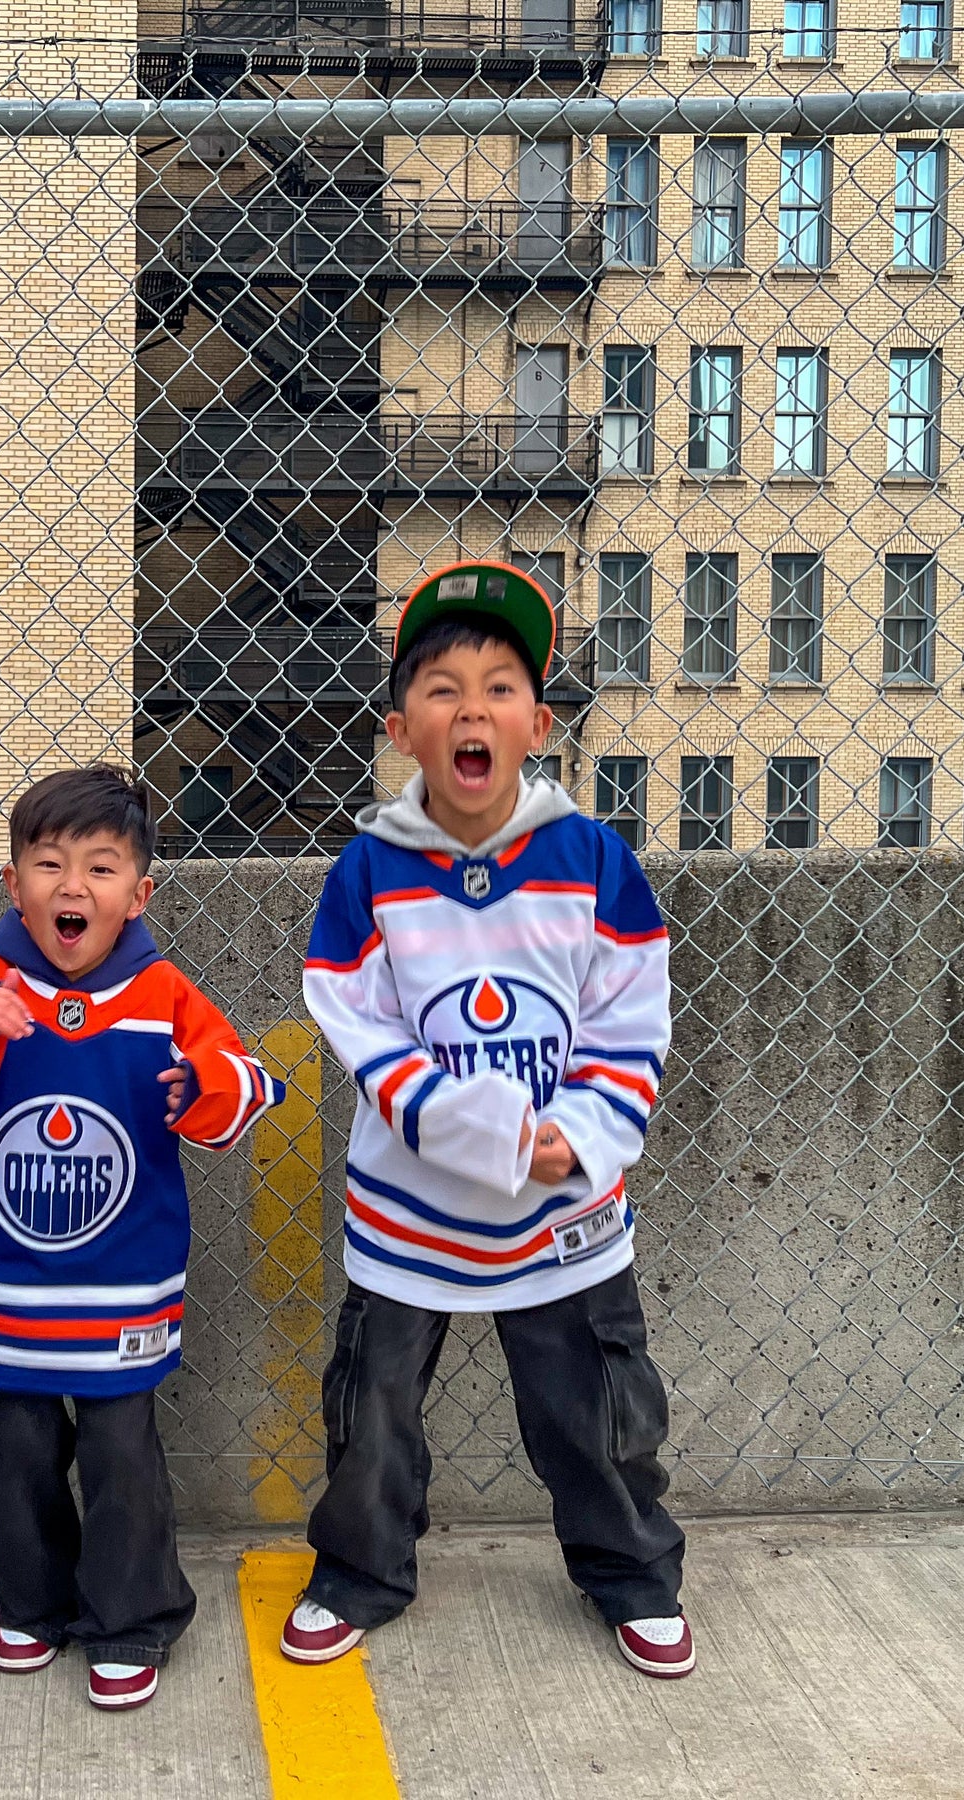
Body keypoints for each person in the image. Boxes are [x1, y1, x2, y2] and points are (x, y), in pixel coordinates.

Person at [276, 563, 691, 1679]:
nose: (473, 709)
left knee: (598, 1415)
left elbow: (630, 1015)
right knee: (373, 1417)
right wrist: (495, 1134)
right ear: (402, 728)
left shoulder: (595, 860)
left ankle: (632, 1575)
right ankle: (361, 1572)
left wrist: (585, 1135)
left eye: (500, 686)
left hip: (567, 1211)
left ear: (538, 723)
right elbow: (359, 1022)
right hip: (413, 1214)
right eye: (444, 689)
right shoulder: (369, 871)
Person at [0, 766, 284, 1712]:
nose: (72, 887)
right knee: (11, 1457)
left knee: (121, 1459)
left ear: (138, 893)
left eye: (100, 868)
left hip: (120, 1291)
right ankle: (33, 1604)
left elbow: (244, 1083)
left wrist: (208, 1092)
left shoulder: (163, 992)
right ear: (12, 883)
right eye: (48, 863)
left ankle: (130, 1618)